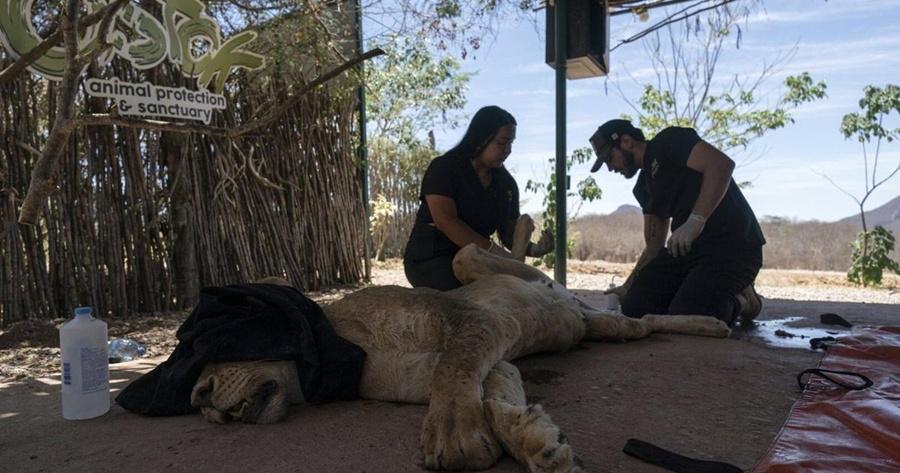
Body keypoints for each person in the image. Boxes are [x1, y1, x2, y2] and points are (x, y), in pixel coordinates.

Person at [588, 119, 764, 325]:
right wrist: (627, 287)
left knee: (693, 312)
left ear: (626, 141)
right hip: (688, 251)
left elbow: (721, 165)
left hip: (732, 246)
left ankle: (745, 301)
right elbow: (653, 248)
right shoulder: (643, 187)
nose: (610, 168)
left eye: (609, 158)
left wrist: (695, 221)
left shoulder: (669, 142)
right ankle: (693, 291)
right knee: (635, 306)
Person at [403, 106, 553, 290]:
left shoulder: (505, 184)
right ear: (481, 139)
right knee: (480, 293)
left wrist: (532, 249)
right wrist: (494, 253)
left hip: (480, 260)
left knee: (528, 289)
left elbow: (508, 233)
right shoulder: (444, 168)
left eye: (511, 143)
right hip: (432, 259)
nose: (508, 150)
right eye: (502, 142)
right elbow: (446, 221)